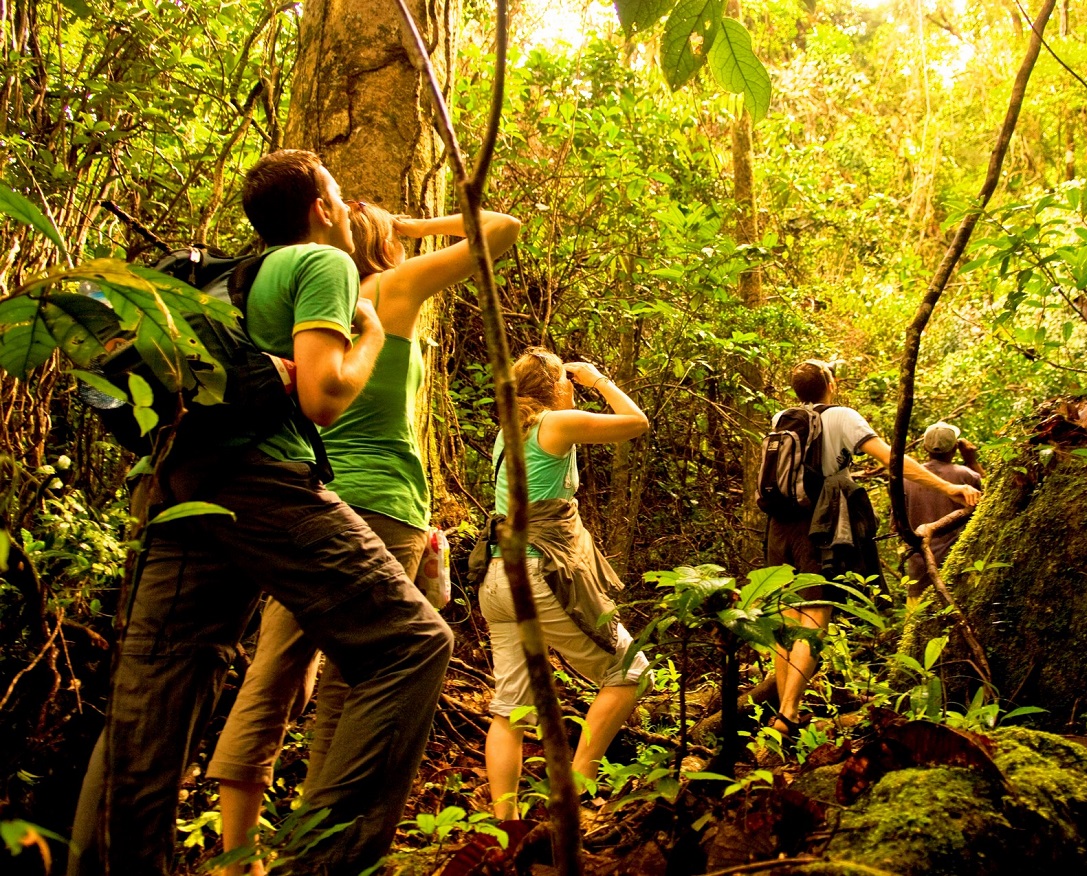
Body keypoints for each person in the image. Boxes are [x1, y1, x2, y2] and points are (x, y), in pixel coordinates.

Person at [67, 150, 451, 876]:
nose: (346, 210)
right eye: (338, 197)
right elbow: (322, 397)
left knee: (152, 696)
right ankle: (321, 863)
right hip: (264, 479)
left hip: (177, 487)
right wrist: (369, 334)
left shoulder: (226, 281)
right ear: (322, 209)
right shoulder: (322, 265)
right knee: (411, 643)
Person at [205, 201, 521, 874]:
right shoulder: (390, 290)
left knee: (279, 670)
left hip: (304, 499)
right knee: (359, 680)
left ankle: (243, 853)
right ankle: (317, 844)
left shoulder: (309, 310)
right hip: (380, 504)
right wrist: (410, 229)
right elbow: (501, 229)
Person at [471, 348, 651, 820]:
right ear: (553, 386)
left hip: (498, 578)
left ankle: (504, 827)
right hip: (537, 576)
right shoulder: (554, 423)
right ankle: (577, 788)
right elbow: (637, 423)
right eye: (564, 379)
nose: (570, 384)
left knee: (509, 708)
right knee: (630, 671)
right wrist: (598, 381)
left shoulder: (506, 434)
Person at [765, 359, 981, 737]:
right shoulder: (843, 416)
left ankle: (786, 714)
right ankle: (788, 713)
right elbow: (893, 461)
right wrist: (949, 489)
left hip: (780, 524)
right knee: (815, 612)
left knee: (787, 618)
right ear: (829, 383)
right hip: (819, 521)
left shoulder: (782, 417)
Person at [902, 420, 985, 595]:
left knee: (916, 619)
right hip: (958, 563)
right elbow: (993, 503)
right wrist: (972, 461)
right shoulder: (969, 475)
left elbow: (897, 525)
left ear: (925, 448)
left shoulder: (906, 479)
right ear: (955, 447)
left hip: (919, 564)